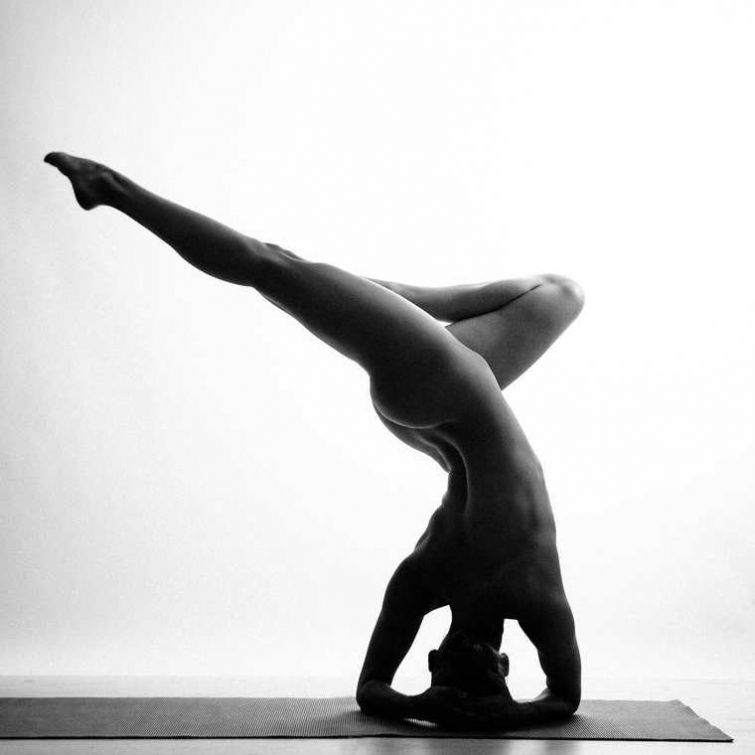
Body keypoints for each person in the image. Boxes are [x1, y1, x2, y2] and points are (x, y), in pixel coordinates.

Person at [45, 151, 583, 730]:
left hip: (441, 384)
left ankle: (110, 188)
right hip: (445, 413)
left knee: (270, 265)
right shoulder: (535, 598)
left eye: (456, 681)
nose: (473, 667)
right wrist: (508, 716)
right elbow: (564, 698)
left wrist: (416, 706)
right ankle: (386, 299)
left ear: (433, 662)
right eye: (486, 682)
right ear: (505, 665)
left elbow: (370, 688)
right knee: (562, 294)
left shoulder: (428, 578)